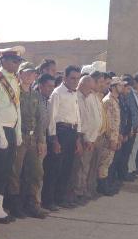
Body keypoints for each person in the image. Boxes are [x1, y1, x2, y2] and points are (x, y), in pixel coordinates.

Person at [0, 46, 24, 223]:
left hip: (11, 128)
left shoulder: (14, 80)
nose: (17, 64)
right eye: (14, 61)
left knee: (6, 170)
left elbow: (17, 108)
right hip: (0, 130)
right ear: (4, 61)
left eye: (18, 61)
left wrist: (18, 131)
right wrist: (0, 135)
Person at [7, 62, 47, 219]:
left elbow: (40, 119)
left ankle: (32, 204)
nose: (30, 76)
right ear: (20, 74)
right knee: (15, 172)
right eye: (27, 73)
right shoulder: (15, 92)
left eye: (33, 73)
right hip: (19, 136)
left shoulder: (36, 95)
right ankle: (14, 205)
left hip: (32, 138)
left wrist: (41, 140)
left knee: (36, 171)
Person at [42, 65, 82, 210]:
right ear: (65, 78)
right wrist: (54, 140)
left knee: (66, 168)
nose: (75, 81)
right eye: (72, 78)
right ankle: (48, 200)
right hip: (60, 132)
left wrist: (78, 138)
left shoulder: (74, 94)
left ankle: (60, 198)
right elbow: (51, 118)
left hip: (72, 132)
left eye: (77, 79)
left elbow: (77, 116)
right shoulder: (57, 93)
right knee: (54, 168)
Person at [71, 74, 102, 205]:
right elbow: (80, 121)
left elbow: (90, 119)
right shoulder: (76, 97)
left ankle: (83, 190)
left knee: (86, 167)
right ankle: (77, 192)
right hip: (81, 138)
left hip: (89, 138)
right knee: (80, 167)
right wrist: (86, 138)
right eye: (89, 88)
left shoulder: (86, 97)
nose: (90, 91)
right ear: (82, 85)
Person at [30, 73, 56, 212]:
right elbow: (36, 122)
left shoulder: (47, 101)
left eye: (53, 86)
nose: (51, 89)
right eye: (48, 86)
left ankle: (35, 203)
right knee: (35, 173)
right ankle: (33, 204)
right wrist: (40, 141)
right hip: (34, 140)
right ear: (40, 85)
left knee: (39, 173)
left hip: (43, 140)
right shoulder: (35, 99)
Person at [97, 77, 124, 195]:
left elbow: (116, 121)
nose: (122, 87)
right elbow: (107, 122)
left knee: (108, 162)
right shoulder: (108, 101)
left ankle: (106, 184)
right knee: (104, 162)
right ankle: (102, 187)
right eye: (119, 85)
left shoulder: (115, 100)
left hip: (114, 136)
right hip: (108, 138)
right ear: (113, 87)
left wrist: (118, 136)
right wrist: (111, 139)